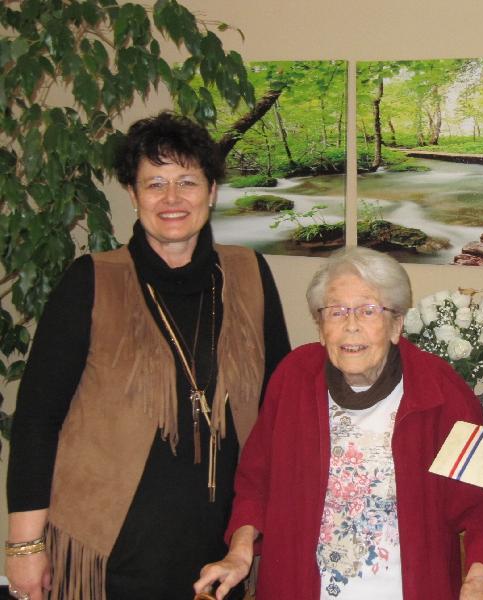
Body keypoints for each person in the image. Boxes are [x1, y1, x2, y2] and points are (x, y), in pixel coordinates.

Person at [5, 112, 291, 600]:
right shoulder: (91, 280)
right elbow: (36, 419)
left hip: (225, 545)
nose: (172, 198)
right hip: (112, 549)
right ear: (134, 196)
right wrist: (25, 546)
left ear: (212, 191)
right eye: (154, 183)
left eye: (187, 181)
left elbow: (281, 402)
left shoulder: (249, 274)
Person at [194, 247, 483, 600]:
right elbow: (256, 480)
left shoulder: (440, 387)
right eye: (336, 311)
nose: (351, 324)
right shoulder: (293, 377)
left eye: (368, 310)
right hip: (298, 587)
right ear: (321, 325)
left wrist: (478, 580)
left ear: (396, 324)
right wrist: (239, 554)